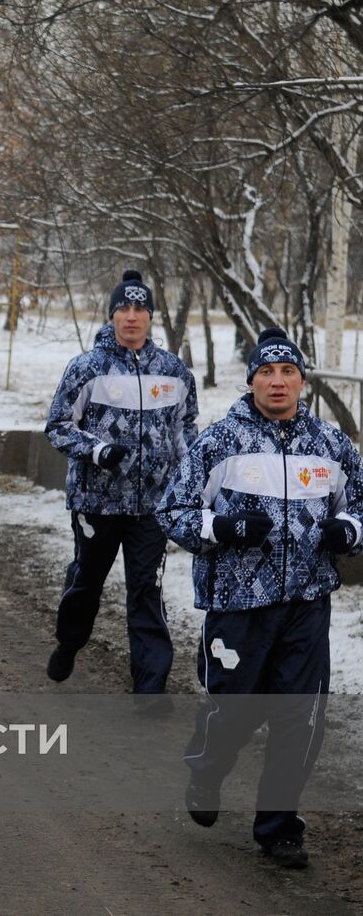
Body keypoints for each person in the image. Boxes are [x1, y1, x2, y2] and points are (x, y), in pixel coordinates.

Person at [158, 327, 359, 869]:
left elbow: (358, 507)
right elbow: (172, 512)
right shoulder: (220, 442)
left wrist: (348, 530)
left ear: (301, 380)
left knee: (302, 717)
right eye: (266, 372)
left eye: (288, 371)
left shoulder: (332, 445)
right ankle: (207, 769)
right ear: (251, 380)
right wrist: (223, 528)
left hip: (307, 603)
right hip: (238, 605)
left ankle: (278, 827)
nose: (277, 382)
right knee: (236, 712)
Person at [44, 271, 198, 701]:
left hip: (152, 505)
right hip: (96, 502)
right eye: (123, 309)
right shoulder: (87, 367)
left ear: (150, 316)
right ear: (112, 315)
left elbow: (186, 428)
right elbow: (57, 426)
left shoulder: (173, 371)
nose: (131, 317)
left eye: (140, 309)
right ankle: (70, 642)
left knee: (146, 589)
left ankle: (150, 684)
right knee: (86, 580)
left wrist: (190, 479)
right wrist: (97, 452)